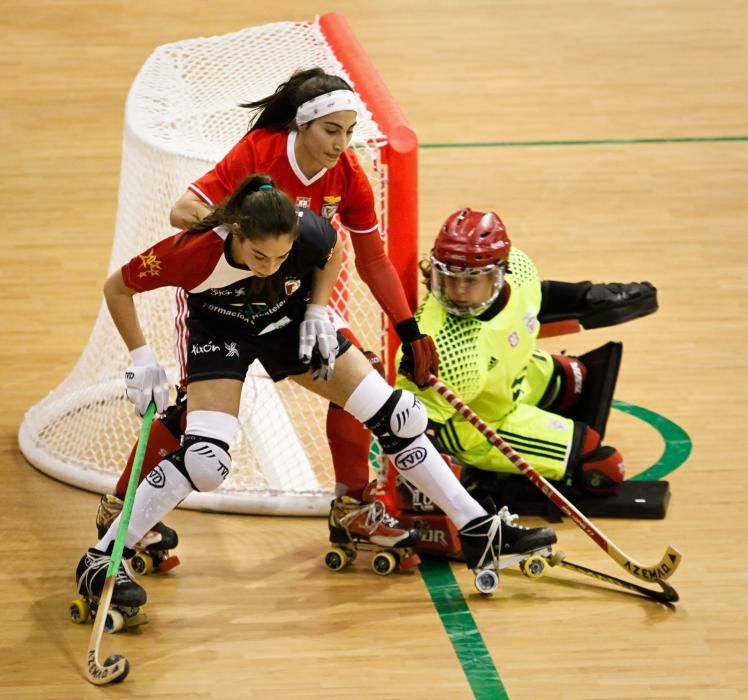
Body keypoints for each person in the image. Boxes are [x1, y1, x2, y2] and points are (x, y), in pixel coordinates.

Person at [74, 176, 557, 615]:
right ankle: (102, 559)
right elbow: (118, 287)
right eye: (259, 257)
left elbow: (333, 252)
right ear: (237, 235)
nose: (270, 265)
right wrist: (140, 356)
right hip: (220, 332)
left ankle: (477, 531)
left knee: (398, 416)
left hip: (287, 322)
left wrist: (318, 312)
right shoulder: (191, 252)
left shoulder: (306, 229)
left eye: (282, 257)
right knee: (206, 461)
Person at [96, 68, 440, 566]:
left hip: (293, 303)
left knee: (357, 375)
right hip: (222, 303)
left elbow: (372, 258)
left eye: (349, 132)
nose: (341, 143)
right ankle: (118, 510)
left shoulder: (347, 172)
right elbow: (183, 210)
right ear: (303, 125)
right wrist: (243, 231)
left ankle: (351, 507)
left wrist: (409, 330)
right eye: (331, 130)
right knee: (198, 416)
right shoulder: (260, 151)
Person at [393, 208, 637, 555]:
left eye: (471, 279)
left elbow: (537, 295)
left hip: (510, 377)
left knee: (580, 379)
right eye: (449, 278)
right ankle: (483, 469)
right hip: (476, 424)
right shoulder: (439, 345)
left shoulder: (520, 267)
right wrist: (459, 496)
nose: (458, 291)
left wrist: (589, 296)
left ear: (499, 273)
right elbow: (411, 432)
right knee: (603, 467)